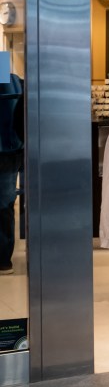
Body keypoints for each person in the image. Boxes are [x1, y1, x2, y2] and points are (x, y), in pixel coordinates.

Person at [0, 74, 23, 275]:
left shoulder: (7, 78)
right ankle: (3, 259)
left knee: (3, 204)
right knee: (4, 204)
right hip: (10, 149)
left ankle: (3, 259)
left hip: (6, 150)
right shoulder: (13, 79)